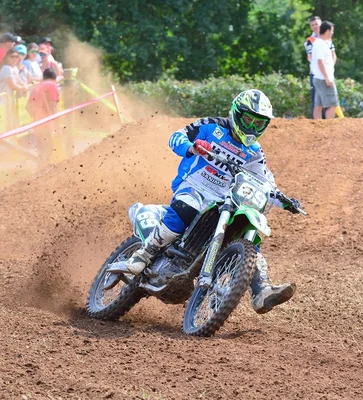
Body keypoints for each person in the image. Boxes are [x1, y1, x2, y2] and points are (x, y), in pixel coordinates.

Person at [118, 90, 299, 314]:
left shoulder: (253, 153)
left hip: (224, 199)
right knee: (187, 207)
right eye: (248, 120)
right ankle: (144, 254)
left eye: (258, 123)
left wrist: (286, 201)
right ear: (236, 114)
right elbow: (177, 136)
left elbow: (265, 182)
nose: (252, 127)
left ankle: (261, 290)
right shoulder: (212, 127)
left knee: (247, 234)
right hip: (194, 187)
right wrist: (191, 147)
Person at [305, 16, 339, 119]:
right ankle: (328, 127)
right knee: (332, 104)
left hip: (319, 76)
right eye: (313, 25)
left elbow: (332, 56)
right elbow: (319, 61)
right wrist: (327, 76)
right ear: (327, 31)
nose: (332, 33)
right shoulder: (316, 42)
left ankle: (318, 126)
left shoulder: (323, 42)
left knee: (318, 105)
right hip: (322, 77)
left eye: (317, 24)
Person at [26, 68, 59, 165]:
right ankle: (46, 168)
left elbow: (28, 107)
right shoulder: (52, 85)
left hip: (37, 123)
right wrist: (57, 122)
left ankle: (41, 168)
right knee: (49, 147)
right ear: (54, 78)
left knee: (41, 148)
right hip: (47, 123)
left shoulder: (37, 87)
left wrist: (36, 114)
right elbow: (53, 105)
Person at [0, 48, 28, 129]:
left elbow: (19, 81)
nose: (14, 59)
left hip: (9, 100)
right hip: (1, 100)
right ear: (7, 58)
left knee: (10, 122)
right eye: (12, 57)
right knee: (2, 125)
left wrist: (24, 86)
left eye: (16, 56)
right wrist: (23, 89)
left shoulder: (15, 68)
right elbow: (13, 85)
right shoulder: (6, 68)